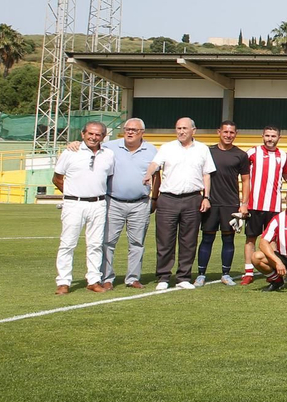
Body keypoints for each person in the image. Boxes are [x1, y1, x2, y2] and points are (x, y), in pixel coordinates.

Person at [146, 117, 214, 292]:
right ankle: (163, 276)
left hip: (193, 199)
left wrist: (206, 197)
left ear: (193, 130)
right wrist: (148, 173)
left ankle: (183, 276)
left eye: (184, 128)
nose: (181, 131)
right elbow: (155, 164)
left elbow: (207, 174)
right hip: (168, 198)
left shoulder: (202, 149)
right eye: (178, 128)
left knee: (188, 240)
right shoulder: (167, 148)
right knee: (165, 240)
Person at [51, 121, 115, 294]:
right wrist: (72, 193)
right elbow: (57, 178)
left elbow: (108, 177)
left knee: (95, 244)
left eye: (98, 134)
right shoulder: (70, 152)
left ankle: (93, 280)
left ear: (103, 136)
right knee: (68, 244)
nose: (94, 137)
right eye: (90, 134)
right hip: (74, 204)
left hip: (99, 203)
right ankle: (63, 282)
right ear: (83, 134)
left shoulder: (108, 154)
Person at [99, 118, 154, 289]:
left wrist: (156, 197)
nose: (130, 132)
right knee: (108, 242)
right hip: (113, 201)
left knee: (137, 243)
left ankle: (132, 278)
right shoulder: (109, 147)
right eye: (127, 129)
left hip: (140, 203)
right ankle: (106, 278)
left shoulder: (152, 150)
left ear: (142, 133)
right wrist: (75, 144)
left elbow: (157, 175)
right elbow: (89, 148)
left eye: (134, 130)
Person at [198, 119, 250, 287]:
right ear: (218, 132)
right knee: (207, 238)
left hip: (230, 204)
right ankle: (201, 274)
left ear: (236, 134)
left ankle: (226, 274)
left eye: (232, 132)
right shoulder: (208, 152)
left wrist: (244, 203)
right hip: (211, 202)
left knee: (228, 240)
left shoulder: (241, 155)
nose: (228, 135)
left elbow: (245, 180)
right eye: (225, 132)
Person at [240, 126, 287, 285]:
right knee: (251, 238)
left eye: (273, 136)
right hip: (254, 204)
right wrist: (244, 203)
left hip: (274, 206)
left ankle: (275, 268)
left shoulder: (284, 156)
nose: (270, 138)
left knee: (272, 240)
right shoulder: (252, 152)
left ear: (278, 138)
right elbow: (243, 174)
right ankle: (248, 272)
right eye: (267, 135)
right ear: (262, 136)